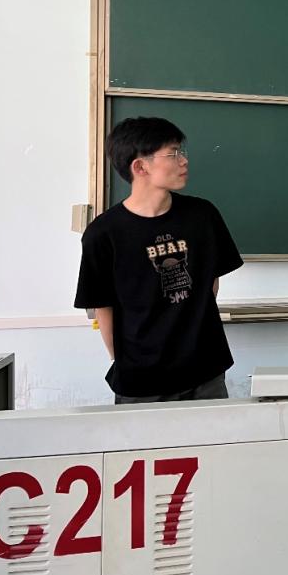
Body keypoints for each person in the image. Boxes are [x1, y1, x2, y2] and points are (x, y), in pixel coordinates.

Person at [74, 117, 243, 403]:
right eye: (173, 153)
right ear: (140, 167)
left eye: (181, 151)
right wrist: (125, 359)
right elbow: (103, 306)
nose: (184, 160)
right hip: (141, 381)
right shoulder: (103, 233)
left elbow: (210, 284)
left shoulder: (202, 216)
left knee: (213, 433)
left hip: (205, 370)